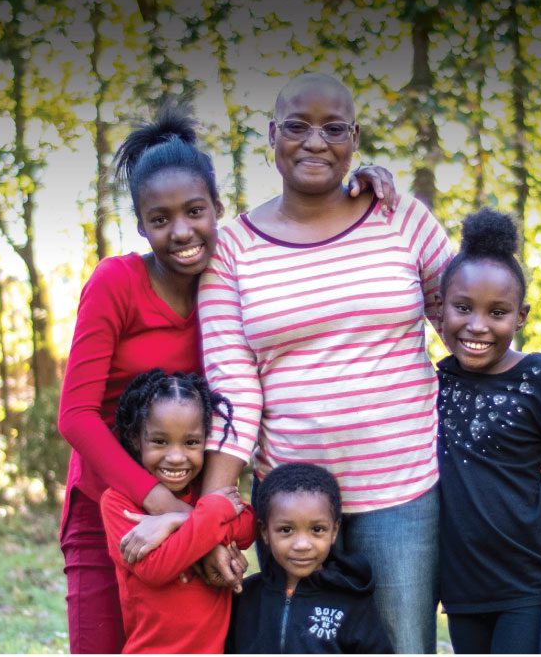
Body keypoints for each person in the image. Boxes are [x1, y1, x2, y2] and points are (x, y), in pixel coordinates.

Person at [56, 101, 396, 654]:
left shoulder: (235, 272)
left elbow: (308, 242)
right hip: (112, 503)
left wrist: (360, 186)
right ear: (141, 226)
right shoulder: (115, 282)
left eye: (195, 211)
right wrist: (173, 516)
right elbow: (75, 416)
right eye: (160, 220)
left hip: (197, 502)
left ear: (217, 208)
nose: (181, 231)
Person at [197, 72, 450, 653]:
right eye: (297, 126)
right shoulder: (232, 249)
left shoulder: (399, 217)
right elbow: (232, 388)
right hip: (290, 507)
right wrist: (217, 513)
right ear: (271, 135)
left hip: (404, 493)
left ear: (354, 138)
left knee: (403, 647)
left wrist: (532, 435)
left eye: (333, 128)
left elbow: (470, 326)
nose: (315, 141)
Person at [433, 208, 541, 654]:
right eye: (463, 307)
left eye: (498, 312)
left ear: (521, 316)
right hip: (465, 598)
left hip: (531, 593)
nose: (477, 326)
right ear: (440, 306)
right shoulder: (431, 382)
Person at [100, 369, 255, 653]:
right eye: (160, 441)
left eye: (191, 442)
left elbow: (247, 526)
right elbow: (155, 568)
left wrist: (177, 518)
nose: (175, 457)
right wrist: (209, 515)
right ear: (136, 439)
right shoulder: (118, 503)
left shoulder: (207, 491)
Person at [226, 463, 393, 654]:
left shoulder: (352, 601)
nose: (302, 544)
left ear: (334, 531)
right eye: (286, 530)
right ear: (264, 532)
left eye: (317, 530)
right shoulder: (245, 597)